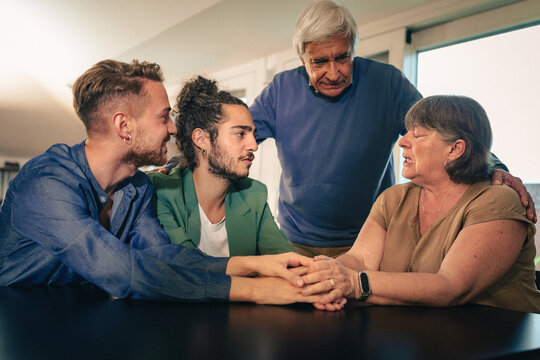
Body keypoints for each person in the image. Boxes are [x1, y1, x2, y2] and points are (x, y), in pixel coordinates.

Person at [0, 59, 335, 307]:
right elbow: (121, 272)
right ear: (124, 126)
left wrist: (253, 264)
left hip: (77, 317)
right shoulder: (45, 182)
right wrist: (253, 289)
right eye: (164, 116)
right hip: (17, 319)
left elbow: (164, 256)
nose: (174, 129)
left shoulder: (138, 187)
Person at [249, 0, 537, 258]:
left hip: (371, 239)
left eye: (343, 58)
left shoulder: (386, 83)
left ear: (354, 51)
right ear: (303, 59)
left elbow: (445, 133)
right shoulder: (280, 90)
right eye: (320, 62)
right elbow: (238, 138)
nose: (334, 73)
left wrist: (494, 165)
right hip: (295, 240)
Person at [300, 95, 540, 313]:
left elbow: (451, 286)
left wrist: (353, 283)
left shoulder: (498, 201)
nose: (402, 142)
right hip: (418, 338)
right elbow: (360, 259)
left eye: (417, 135)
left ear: (455, 149)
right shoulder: (394, 199)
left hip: (501, 344)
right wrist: (322, 276)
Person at [148, 76, 294, 256]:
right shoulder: (162, 191)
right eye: (240, 133)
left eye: (252, 134)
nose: (254, 145)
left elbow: (285, 259)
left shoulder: (253, 194)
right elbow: (184, 266)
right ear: (201, 139)